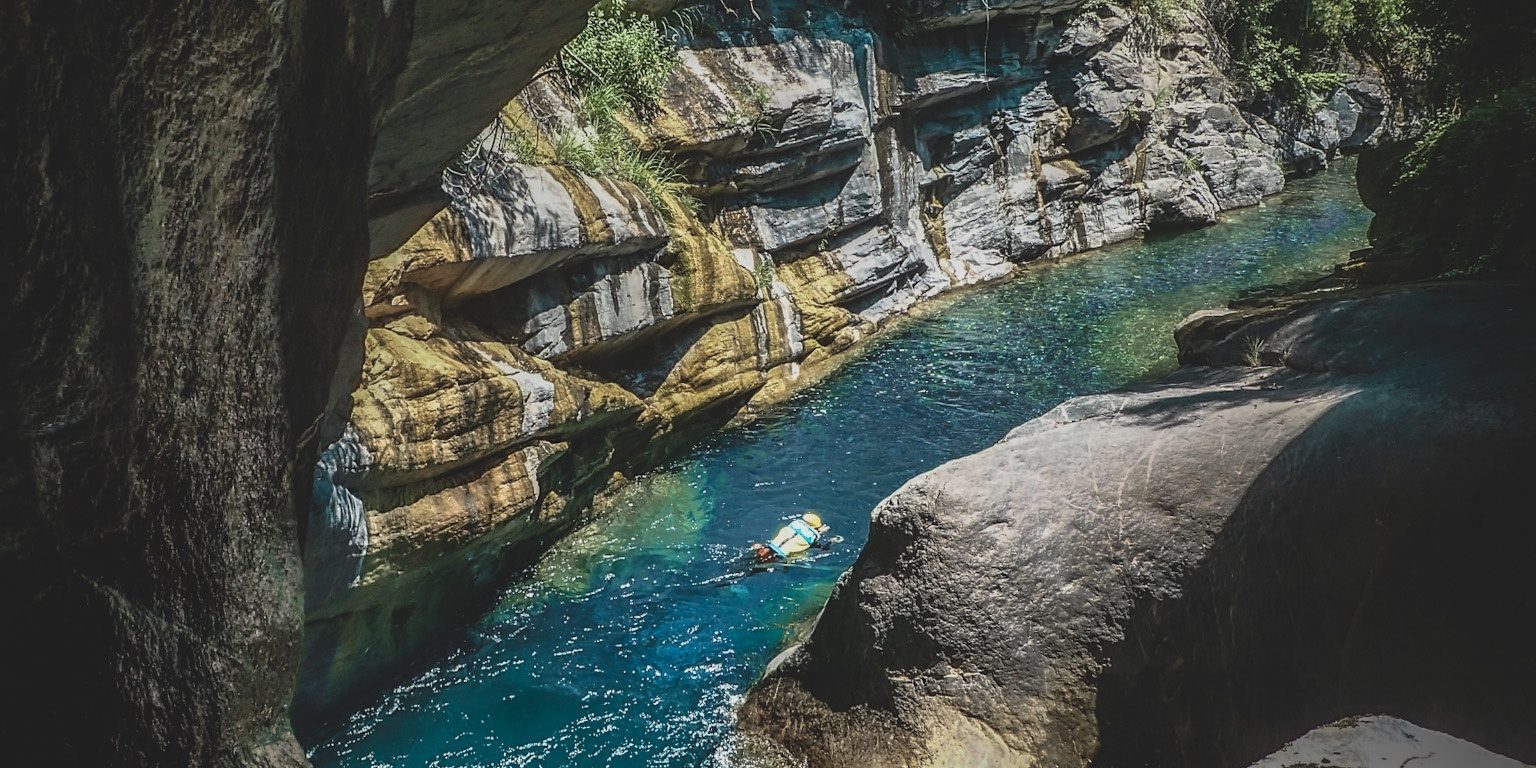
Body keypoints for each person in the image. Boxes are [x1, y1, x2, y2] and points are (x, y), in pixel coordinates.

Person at [752, 512, 830, 563]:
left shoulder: (794, 525)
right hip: (779, 557)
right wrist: (832, 541)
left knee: (751, 561)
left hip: (768, 548)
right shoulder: (812, 537)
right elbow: (823, 548)